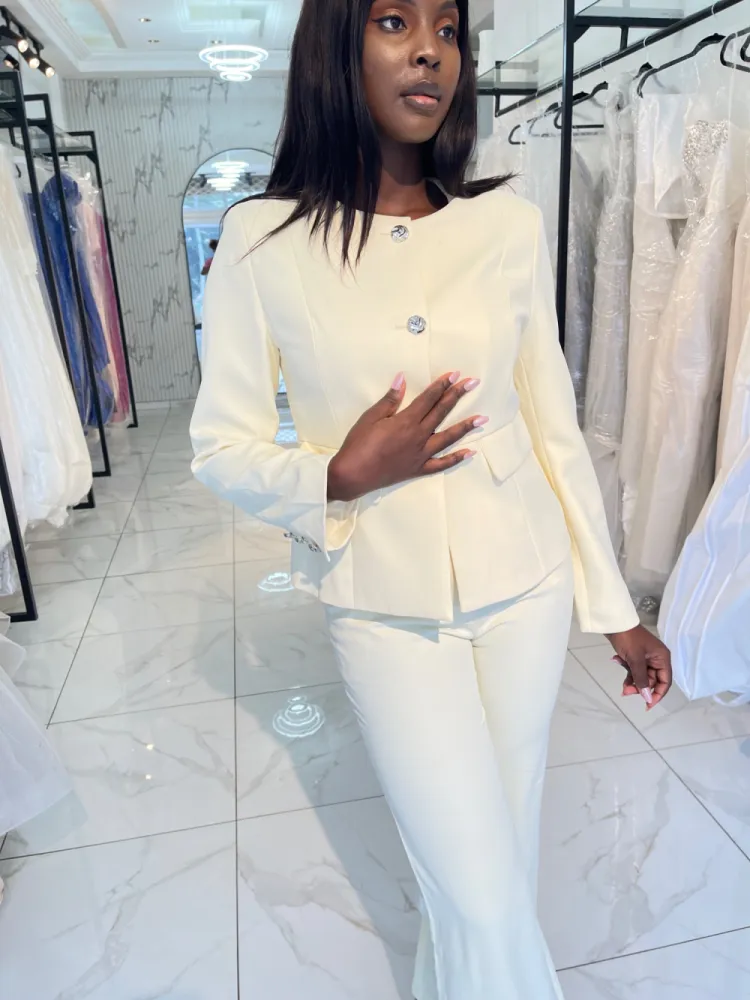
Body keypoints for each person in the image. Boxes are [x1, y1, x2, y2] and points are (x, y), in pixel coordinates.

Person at [190, 1, 673, 996]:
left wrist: (614, 608)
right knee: (481, 892)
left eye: (448, 29)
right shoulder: (260, 239)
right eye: (394, 21)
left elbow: (552, 423)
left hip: (525, 587)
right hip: (381, 601)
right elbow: (218, 448)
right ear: (335, 46)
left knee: (496, 863)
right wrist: (336, 475)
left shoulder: (507, 225)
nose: (429, 50)